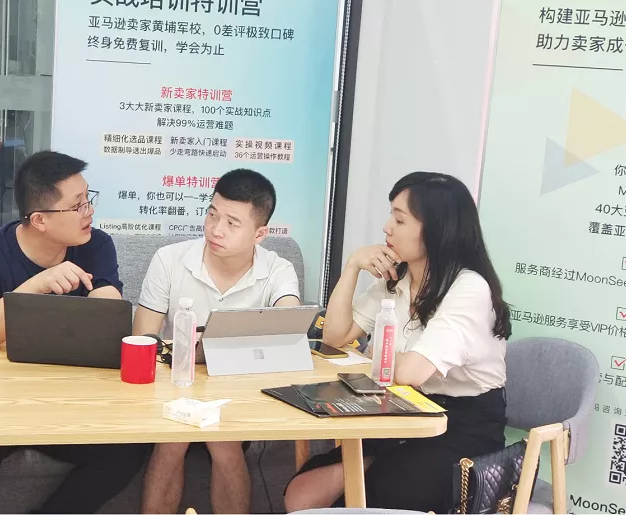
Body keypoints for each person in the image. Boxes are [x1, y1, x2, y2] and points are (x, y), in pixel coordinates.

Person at [284, 171, 511, 513]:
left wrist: (375, 360)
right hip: (399, 412)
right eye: (391, 215)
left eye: (400, 219)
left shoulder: (469, 288)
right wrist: (352, 266)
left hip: (459, 428)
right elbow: (335, 336)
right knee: (301, 493)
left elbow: (411, 372)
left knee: (367, 498)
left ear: (435, 230)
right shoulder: (399, 278)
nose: (387, 227)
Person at [0, 150, 148, 514]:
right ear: (39, 219)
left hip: (68, 401)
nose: (89, 212)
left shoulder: (96, 245)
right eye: (78, 205)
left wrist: (104, 301)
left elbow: (110, 318)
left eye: (88, 199)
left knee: (128, 449)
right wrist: (37, 285)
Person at [134, 168, 301, 514]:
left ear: (259, 234)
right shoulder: (169, 260)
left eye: (232, 223)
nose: (215, 229)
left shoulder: (278, 270)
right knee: (173, 439)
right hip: (175, 384)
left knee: (224, 439)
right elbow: (143, 340)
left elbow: (287, 327)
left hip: (239, 392)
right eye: (212, 214)